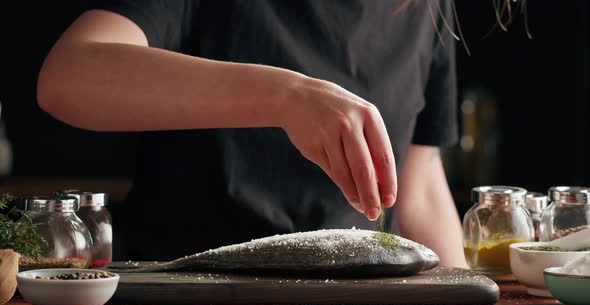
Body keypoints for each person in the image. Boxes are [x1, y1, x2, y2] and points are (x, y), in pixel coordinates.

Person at [37, 0, 467, 267]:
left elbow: (421, 185)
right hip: (180, 295)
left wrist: (468, 303)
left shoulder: (425, 6)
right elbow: (68, 76)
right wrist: (288, 96)